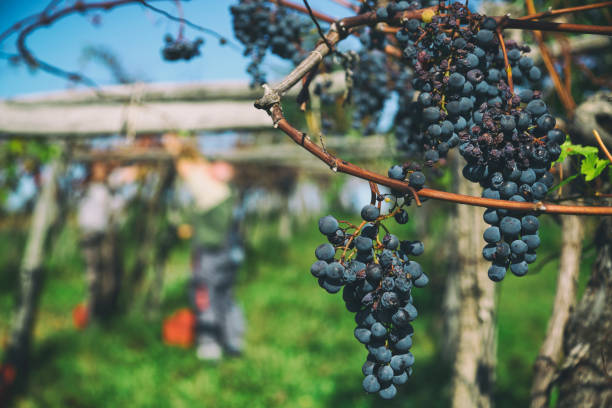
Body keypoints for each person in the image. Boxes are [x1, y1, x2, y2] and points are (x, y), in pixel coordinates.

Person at [164, 135, 246, 361]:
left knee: (205, 293)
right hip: (228, 246)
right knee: (225, 293)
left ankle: (210, 343)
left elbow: (187, 165)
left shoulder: (200, 180)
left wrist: (175, 148)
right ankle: (233, 342)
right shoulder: (219, 188)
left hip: (212, 247)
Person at [77, 161, 124, 322]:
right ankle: (92, 313)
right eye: (97, 168)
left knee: (109, 274)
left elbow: (117, 207)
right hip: (89, 233)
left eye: (103, 168)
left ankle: (105, 312)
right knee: (93, 276)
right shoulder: (87, 188)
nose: (101, 171)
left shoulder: (109, 190)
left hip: (105, 233)